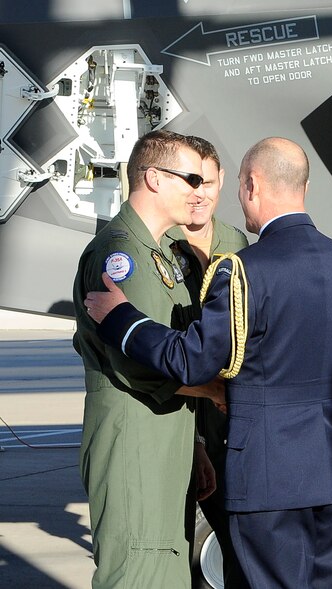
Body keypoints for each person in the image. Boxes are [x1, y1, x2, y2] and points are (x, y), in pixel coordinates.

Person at [84, 137, 332, 588]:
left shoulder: (243, 269)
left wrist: (123, 320)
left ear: (250, 185)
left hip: (269, 473)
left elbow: (194, 361)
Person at [72, 129, 225, 588]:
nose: (199, 193)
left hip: (166, 442)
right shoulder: (120, 254)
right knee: (140, 573)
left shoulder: (161, 255)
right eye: (191, 179)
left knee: (166, 571)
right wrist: (217, 390)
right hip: (136, 444)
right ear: (155, 178)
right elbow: (139, 362)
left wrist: (195, 445)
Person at [166, 135, 249, 588]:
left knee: (239, 535)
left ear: (222, 186)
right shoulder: (158, 245)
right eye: (190, 181)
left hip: (227, 420)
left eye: (208, 182)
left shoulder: (240, 245)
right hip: (172, 410)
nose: (198, 193)